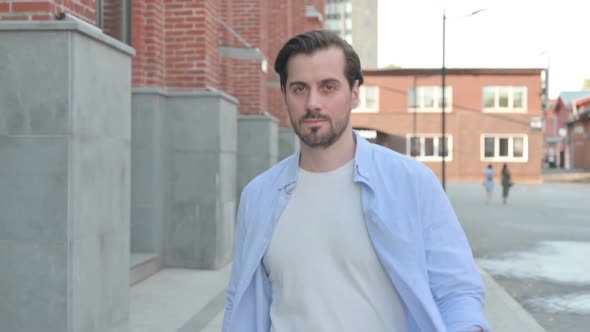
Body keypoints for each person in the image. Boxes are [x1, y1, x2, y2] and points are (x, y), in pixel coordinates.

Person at [223, 30, 490, 332]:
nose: (313, 103)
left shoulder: (412, 183)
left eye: (328, 87)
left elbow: (457, 292)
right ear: (284, 94)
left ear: (354, 93)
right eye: (299, 89)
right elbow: (239, 302)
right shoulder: (258, 196)